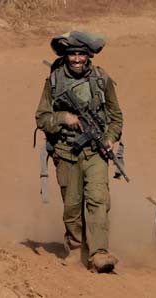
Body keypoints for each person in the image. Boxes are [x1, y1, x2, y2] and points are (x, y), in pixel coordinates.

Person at [35, 31, 123, 273]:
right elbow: (42, 117)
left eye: (81, 54)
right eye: (72, 54)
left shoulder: (101, 79)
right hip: (65, 151)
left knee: (98, 199)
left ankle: (99, 253)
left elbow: (116, 117)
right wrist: (64, 118)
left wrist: (110, 138)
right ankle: (75, 248)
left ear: (88, 56)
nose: (76, 59)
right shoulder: (53, 81)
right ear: (66, 56)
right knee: (72, 205)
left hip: (95, 152)